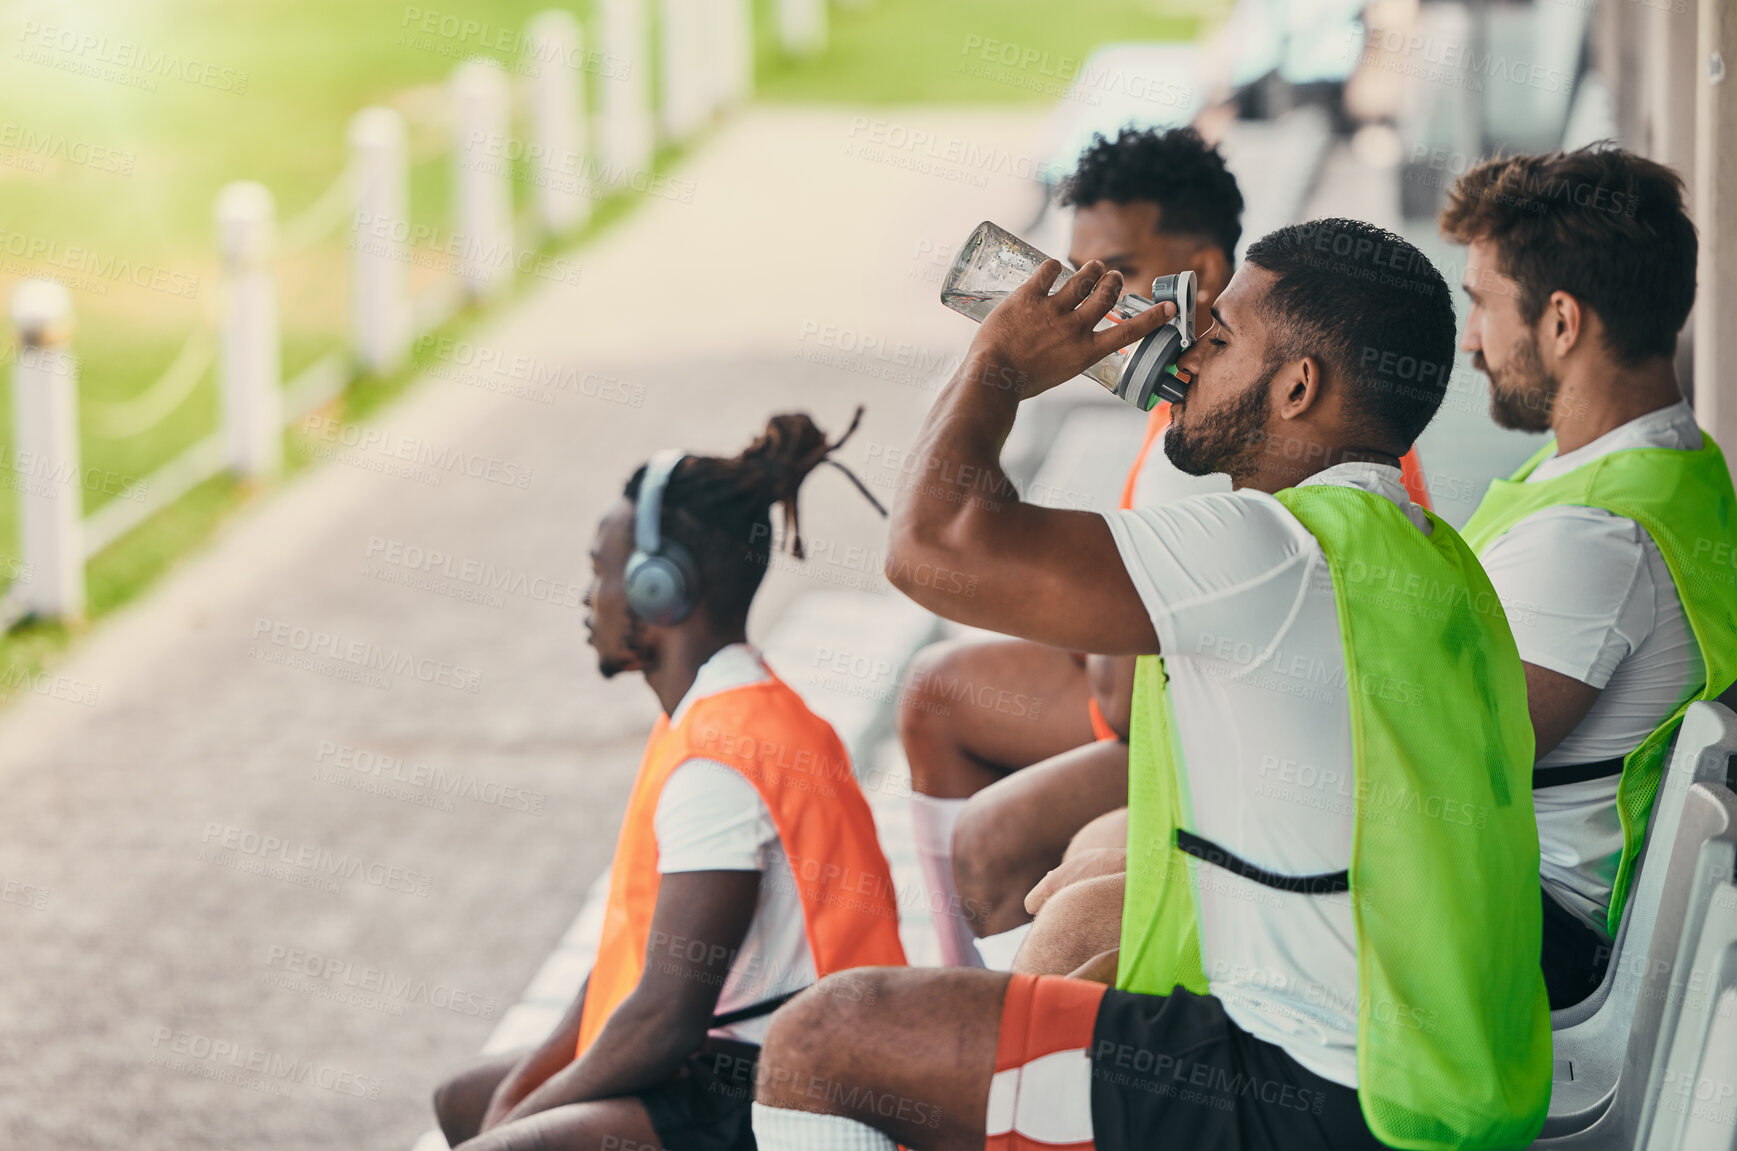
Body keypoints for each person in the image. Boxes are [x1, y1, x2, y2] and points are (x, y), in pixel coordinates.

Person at [749, 220, 1551, 1151]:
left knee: (822, 1037)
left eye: (1218, 341)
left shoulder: (1269, 550)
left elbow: (932, 547)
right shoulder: (1427, 553)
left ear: (1297, 387)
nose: (1182, 356)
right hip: (1423, 1086)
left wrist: (999, 363)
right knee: (1060, 946)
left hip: (1320, 1096)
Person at [908, 127, 1435, 963]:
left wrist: (997, 364)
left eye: (1110, 272)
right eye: (1072, 273)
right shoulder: (1259, 416)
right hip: (1263, 717)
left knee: (988, 825)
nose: (1083, 301)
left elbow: (1116, 699)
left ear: (1201, 275)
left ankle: (977, 1003)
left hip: (1216, 738)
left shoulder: (1224, 439)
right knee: (943, 685)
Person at [432, 412, 907, 1151]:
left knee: (503, 1133)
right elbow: (633, 970)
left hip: (785, 1086)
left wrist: (516, 1122)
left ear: (660, 590)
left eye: (602, 569)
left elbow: (665, 1017)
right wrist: (516, 1096)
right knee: (466, 1099)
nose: (590, 596)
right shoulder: (723, 713)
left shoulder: (719, 761)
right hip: (739, 1059)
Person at [1445, 145, 1737, 1008]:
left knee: (1106, 901)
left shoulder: (1592, 536)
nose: (1469, 341)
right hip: (1508, 896)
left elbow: (1445, 764)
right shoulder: (1667, 464)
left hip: (1534, 933)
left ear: (1561, 322)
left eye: (1480, 307)